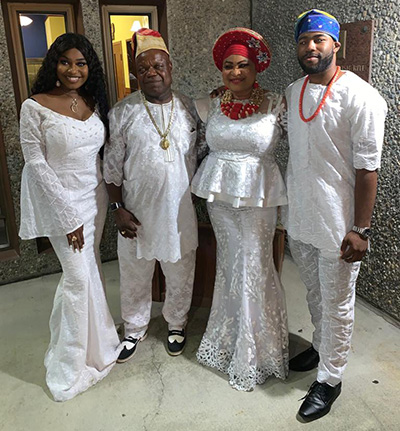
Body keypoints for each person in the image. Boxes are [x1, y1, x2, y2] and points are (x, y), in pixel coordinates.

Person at [285, 9, 387, 421]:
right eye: (305, 39)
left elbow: (368, 169)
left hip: (340, 225)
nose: (311, 46)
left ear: (335, 44)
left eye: (319, 39)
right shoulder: (293, 91)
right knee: (314, 293)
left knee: (339, 302)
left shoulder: (362, 96)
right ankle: (321, 346)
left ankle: (330, 378)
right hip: (301, 218)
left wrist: (360, 229)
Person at [19, 33, 121, 401]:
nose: (73, 70)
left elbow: (97, 157)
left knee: (90, 271)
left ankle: (101, 344)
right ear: (54, 65)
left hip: (92, 198)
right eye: (65, 62)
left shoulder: (91, 100)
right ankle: (70, 363)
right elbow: (35, 163)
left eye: (80, 63)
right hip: (62, 201)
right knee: (77, 278)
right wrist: (66, 216)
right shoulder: (35, 106)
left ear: (89, 67)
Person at [191, 28, 289, 391]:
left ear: (256, 67)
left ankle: (257, 352)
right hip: (220, 200)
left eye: (243, 65)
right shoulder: (210, 104)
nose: (235, 72)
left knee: (254, 265)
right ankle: (227, 340)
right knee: (229, 266)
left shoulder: (278, 104)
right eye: (229, 66)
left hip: (259, 199)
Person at [104, 29, 199, 362]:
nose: (152, 73)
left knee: (180, 270)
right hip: (136, 212)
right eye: (144, 69)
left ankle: (176, 323)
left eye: (159, 66)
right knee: (134, 273)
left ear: (170, 68)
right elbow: (112, 165)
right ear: (135, 74)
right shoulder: (122, 111)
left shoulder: (189, 107)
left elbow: (202, 151)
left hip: (179, 211)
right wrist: (117, 207)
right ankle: (133, 327)